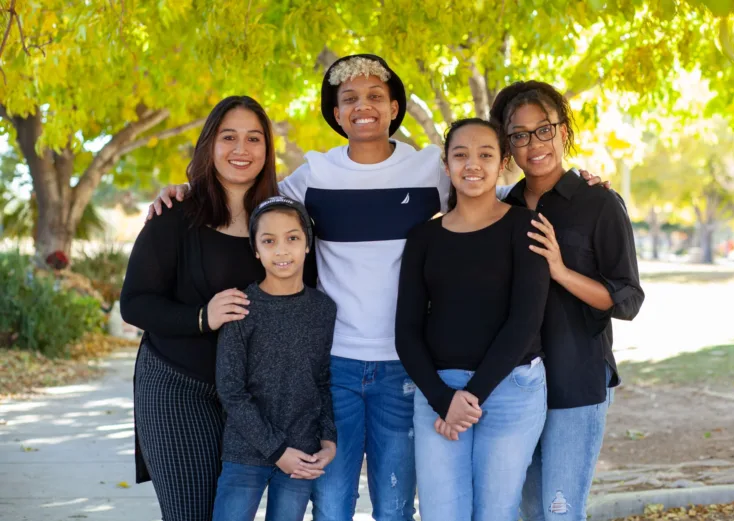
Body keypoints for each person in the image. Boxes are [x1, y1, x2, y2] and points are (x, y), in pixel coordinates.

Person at [145, 57, 607, 521]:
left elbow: (482, 190)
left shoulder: (430, 167)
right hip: (335, 365)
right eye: (349, 99)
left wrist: (576, 180)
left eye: (373, 97)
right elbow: (249, 202)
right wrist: (184, 189)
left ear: (394, 107)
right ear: (337, 114)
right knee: (331, 502)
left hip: (406, 368)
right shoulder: (313, 176)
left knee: (394, 505)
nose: (362, 107)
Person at [490, 80, 645, 521]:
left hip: (576, 381)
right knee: (528, 511)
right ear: (508, 146)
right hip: (514, 387)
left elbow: (629, 299)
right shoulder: (503, 208)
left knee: (559, 512)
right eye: (519, 135)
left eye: (544, 129)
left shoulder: (599, 202)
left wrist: (561, 271)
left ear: (563, 131)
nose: (534, 144)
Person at [120, 95, 280, 521]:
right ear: (210, 144)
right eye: (229, 137)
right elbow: (134, 303)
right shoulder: (175, 215)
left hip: (249, 396)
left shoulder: (283, 221)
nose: (241, 150)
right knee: (192, 513)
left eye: (254, 139)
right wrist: (201, 316)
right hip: (178, 386)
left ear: (267, 150)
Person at [396, 118, 550, 521]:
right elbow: (406, 332)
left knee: (495, 512)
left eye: (485, 154)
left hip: (512, 390)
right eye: (460, 155)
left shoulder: (526, 226)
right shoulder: (423, 238)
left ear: (502, 164)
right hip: (438, 391)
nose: (473, 164)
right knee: (442, 513)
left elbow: (525, 321)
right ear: (446, 165)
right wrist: (444, 400)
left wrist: (470, 399)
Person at [212, 196, 337, 521]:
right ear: (256, 249)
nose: (282, 250)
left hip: (302, 454)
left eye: (292, 238)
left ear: (307, 244)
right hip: (245, 452)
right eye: (269, 241)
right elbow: (231, 391)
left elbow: (322, 381)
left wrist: (328, 439)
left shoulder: (323, 309)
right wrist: (277, 450)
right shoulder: (242, 307)